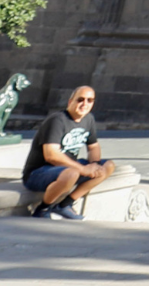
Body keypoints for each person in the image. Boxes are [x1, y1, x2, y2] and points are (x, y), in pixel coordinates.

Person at [22, 86, 115, 220]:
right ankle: (42, 209)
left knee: (108, 166)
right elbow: (51, 155)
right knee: (72, 173)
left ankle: (65, 205)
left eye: (90, 100)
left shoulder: (88, 119)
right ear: (70, 101)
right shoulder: (57, 120)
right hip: (38, 173)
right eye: (80, 100)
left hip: (66, 169)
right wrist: (83, 169)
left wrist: (94, 165)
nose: (85, 104)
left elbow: (93, 146)